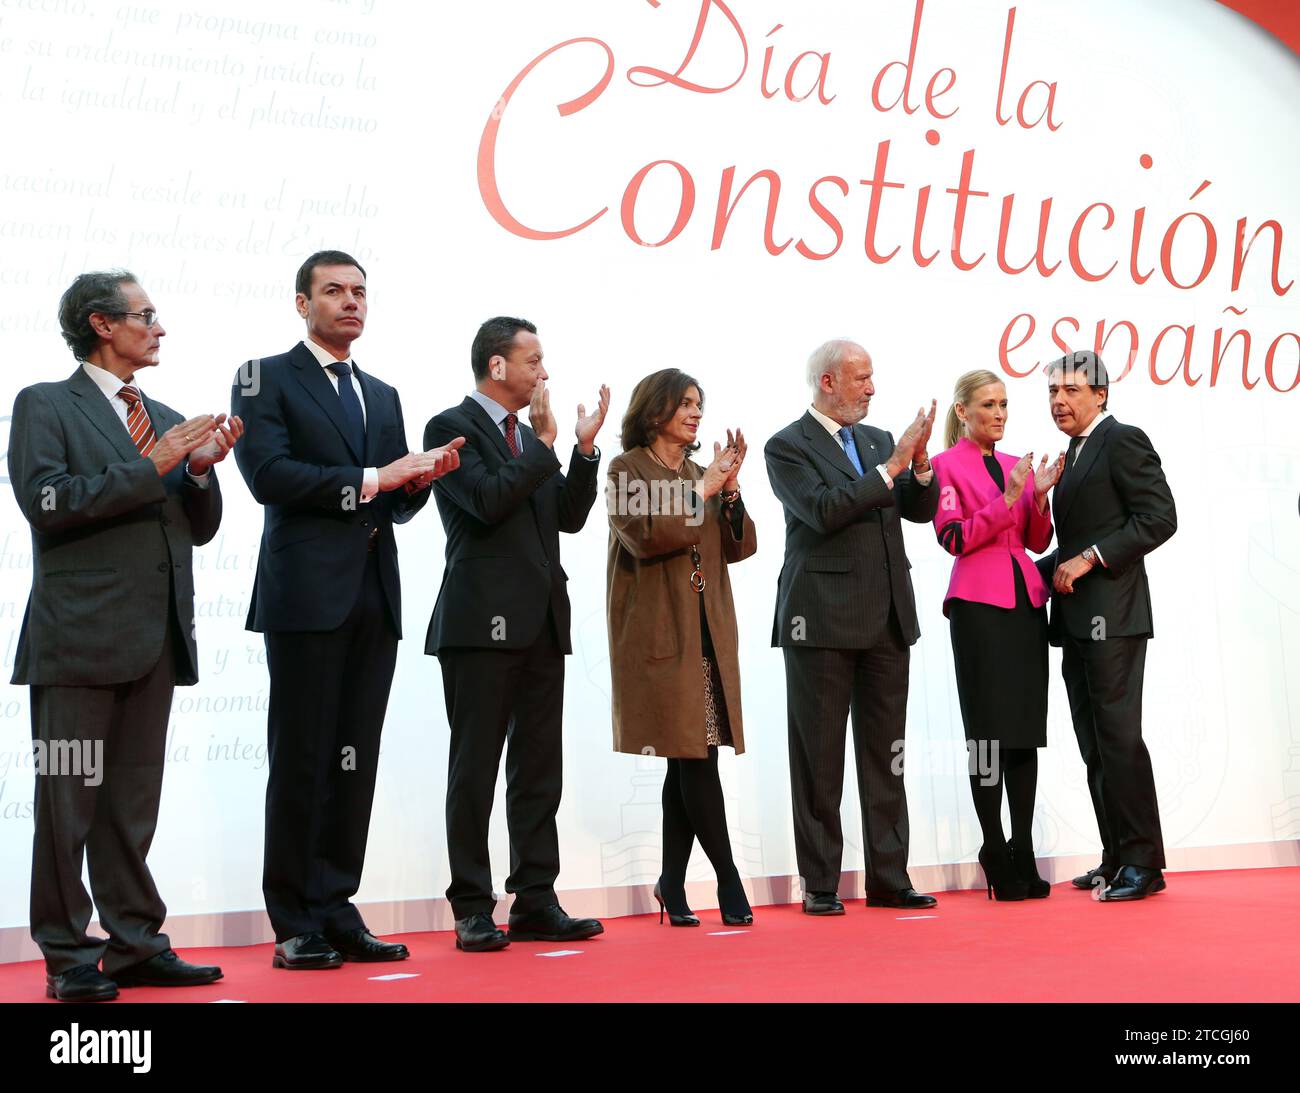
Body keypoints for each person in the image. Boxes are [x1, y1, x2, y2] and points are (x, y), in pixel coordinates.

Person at [9, 270, 241, 1001]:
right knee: (67, 805)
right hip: (76, 644)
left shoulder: (166, 415)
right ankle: (68, 955)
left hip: (156, 641)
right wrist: (157, 462)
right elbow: (50, 502)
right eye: (147, 315)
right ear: (102, 324)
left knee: (131, 805)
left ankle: (136, 943)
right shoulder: (45, 404)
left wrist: (199, 472)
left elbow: (196, 529)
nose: (161, 327)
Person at [232, 251, 463, 969]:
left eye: (360, 291)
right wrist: (371, 477)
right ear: (302, 302)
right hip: (305, 596)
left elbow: (392, 502)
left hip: (372, 594)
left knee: (352, 757)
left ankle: (336, 906)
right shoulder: (262, 375)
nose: (350, 302)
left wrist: (420, 480)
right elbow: (267, 475)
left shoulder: (384, 391)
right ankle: (293, 918)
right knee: (301, 757)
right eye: (333, 291)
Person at [424, 316, 609, 952]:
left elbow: (567, 516)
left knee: (538, 770)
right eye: (534, 362)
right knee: (474, 768)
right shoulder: (450, 428)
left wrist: (581, 452)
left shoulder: (531, 440)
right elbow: (485, 502)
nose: (545, 373)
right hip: (479, 625)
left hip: (540, 623)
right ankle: (473, 906)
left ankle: (535, 898)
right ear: (497, 367)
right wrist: (543, 446)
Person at [764, 339, 939, 915]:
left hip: (888, 616)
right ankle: (820, 884)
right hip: (820, 620)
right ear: (827, 383)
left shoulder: (879, 440)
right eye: (861, 378)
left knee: (886, 753)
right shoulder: (787, 445)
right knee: (819, 758)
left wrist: (916, 467)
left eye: (872, 378)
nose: (871, 389)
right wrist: (891, 469)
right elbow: (824, 510)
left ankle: (890, 877)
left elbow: (913, 509)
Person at [606, 369, 758, 927]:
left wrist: (733, 488)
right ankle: (729, 880)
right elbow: (645, 534)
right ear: (654, 412)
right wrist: (705, 490)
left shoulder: (702, 471)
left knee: (687, 758)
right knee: (694, 756)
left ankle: (671, 882)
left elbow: (741, 547)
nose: (696, 413)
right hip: (659, 639)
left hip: (707, 635)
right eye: (685, 404)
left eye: (700, 404)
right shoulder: (627, 470)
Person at [1043, 351, 1177, 901]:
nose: (1059, 401)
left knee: (1119, 741)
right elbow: (1069, 545)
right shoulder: (1072, 454)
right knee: (1094, 744)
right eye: (1053, 392)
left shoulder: (1122, 439)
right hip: (1075, 620)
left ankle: (1144, 864)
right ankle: (1116, 855)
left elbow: (1160, 516)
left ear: (1101, 394)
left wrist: (1093, 557)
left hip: (1114, 618)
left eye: (1072, 391)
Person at [929, 370, 1064, 900]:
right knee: (988, 734)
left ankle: (1024, 847)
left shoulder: (1018, 466)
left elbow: (1035, 539)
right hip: (977, 606)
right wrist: (1006, 500)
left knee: (1025, 733)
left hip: (1025, 602)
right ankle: (994, 846)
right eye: (989, 404)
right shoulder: (942, 467)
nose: (1001, 413)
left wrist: (1038, 498)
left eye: (1005, 403)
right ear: (963, 412)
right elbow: (954, 537)